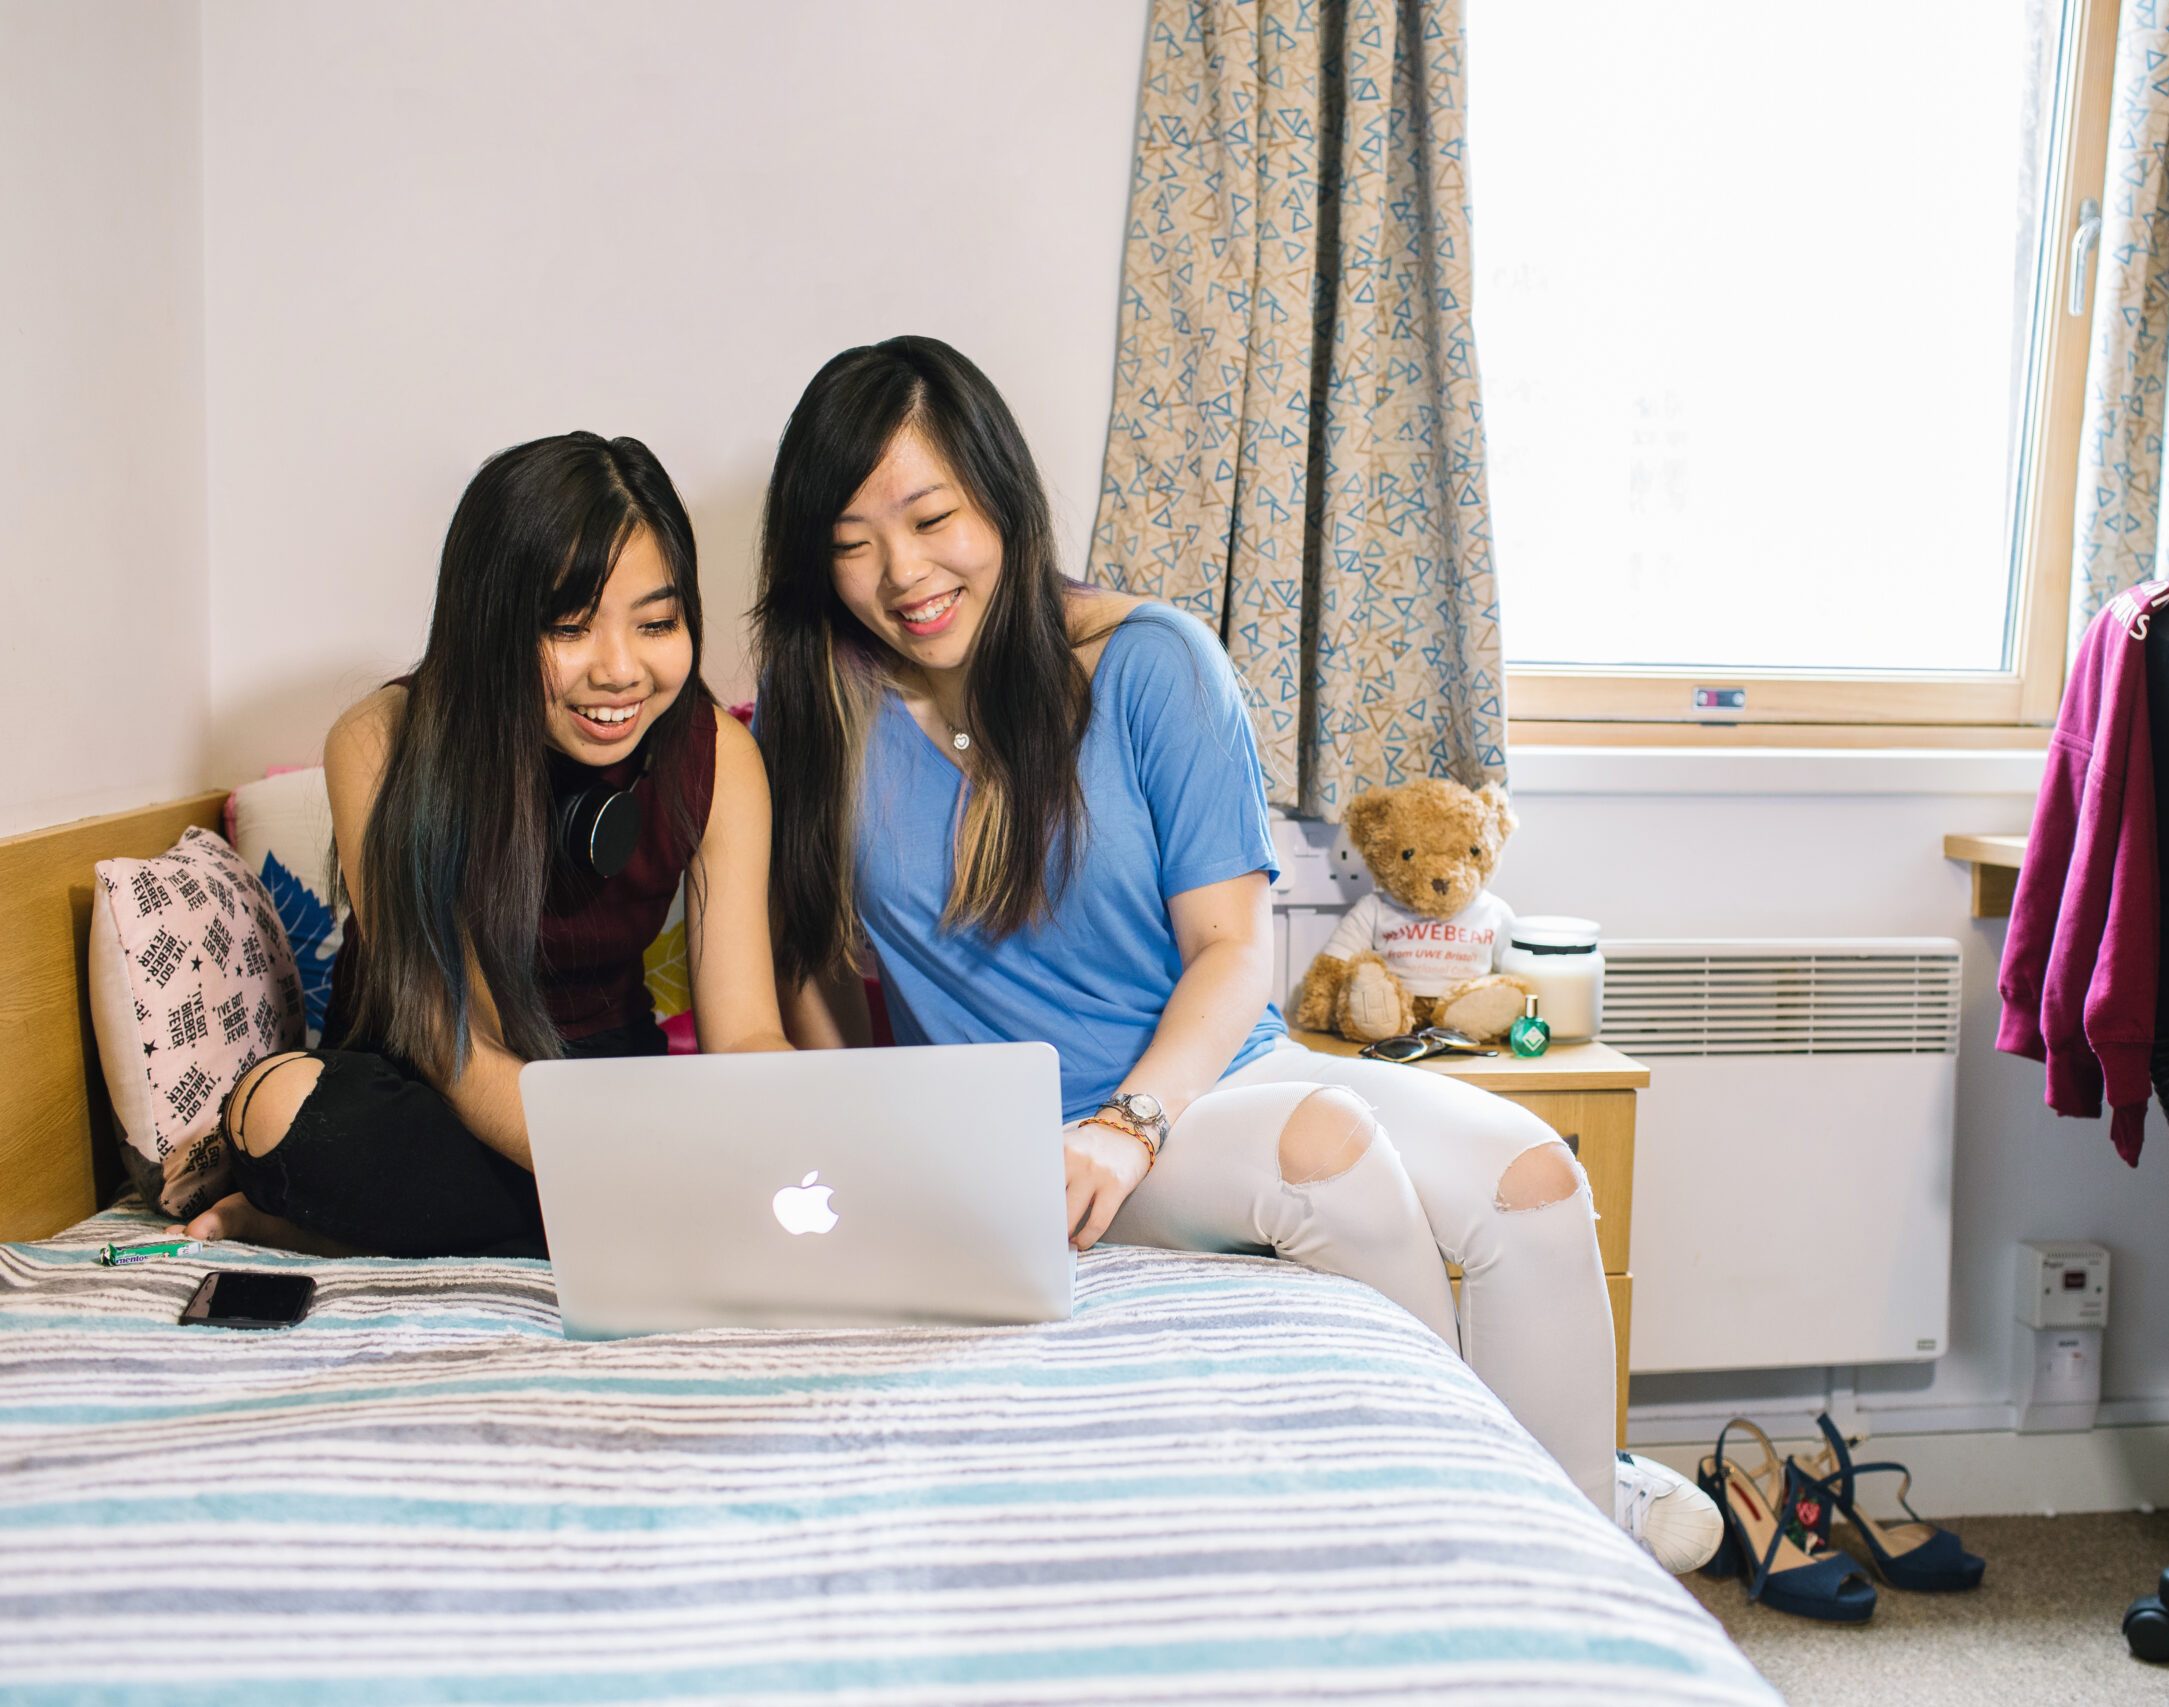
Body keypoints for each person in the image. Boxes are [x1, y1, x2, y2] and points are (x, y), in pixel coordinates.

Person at [752, 336, 1720, 1565]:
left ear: (1000, 495)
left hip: (1197, 1079)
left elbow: (1226, 951)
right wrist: (880, 1151)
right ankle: (1461, 1521)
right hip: (1021, 1131)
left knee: (1533, 1174)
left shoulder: (1152, 662)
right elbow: (817, 974)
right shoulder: (815, 706)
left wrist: (1135, 1121)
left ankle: (1568, 1512)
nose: (902, 573)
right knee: (1328, 1152)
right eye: (849, 542)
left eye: (931, 516)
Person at [175, 433, 790, 1257]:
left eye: (658, 622)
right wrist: (648, 1176)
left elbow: (746, 1034)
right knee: (279, 1110)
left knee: (727, 1140)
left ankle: (332, 1226)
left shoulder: (718, 755)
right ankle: (624, 1211)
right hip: (427, 1082)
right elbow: (454, 1046)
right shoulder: (381, 744)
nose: (621, 669)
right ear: (489, 625)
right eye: (570, 627)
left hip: (607, 1082)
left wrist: (798, 1148)